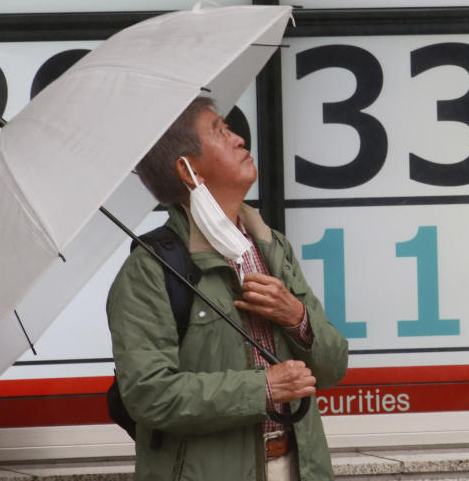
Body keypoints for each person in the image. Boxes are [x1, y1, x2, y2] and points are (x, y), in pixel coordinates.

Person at [107, 96, 349, 480]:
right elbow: (148, 394)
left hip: (301, 468)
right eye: (219, 131)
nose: (239, 138)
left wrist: (296, 318)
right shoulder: (151, 270)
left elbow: (334, 367)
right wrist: (263, 388)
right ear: (189, 171)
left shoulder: (272, 248)